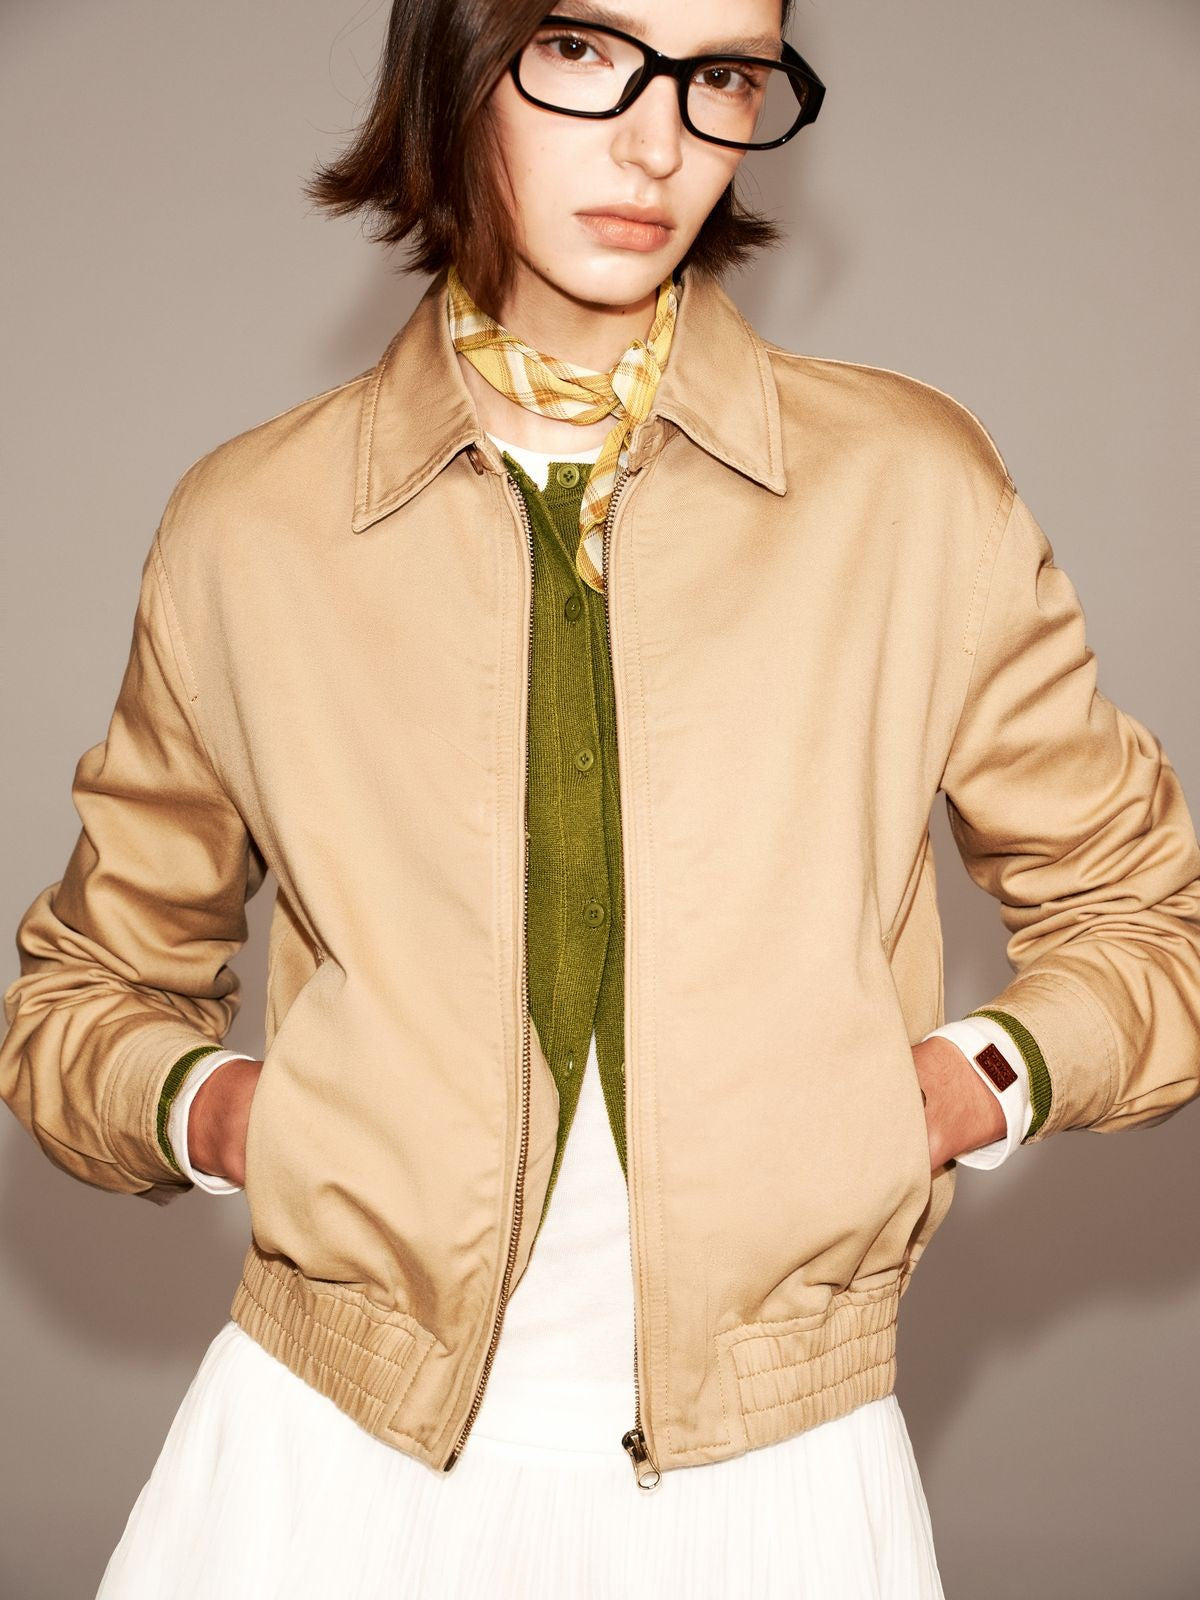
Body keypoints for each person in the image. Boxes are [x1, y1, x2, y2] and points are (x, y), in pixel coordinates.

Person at [3, 2, 1198, 1596]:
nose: (657, 144)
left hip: (774, 1480)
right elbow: (83, 996)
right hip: (321, 1466)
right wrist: (234, 1119)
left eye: (721, 77)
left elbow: (1148, 923)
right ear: (457, 59)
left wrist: (964, 1086)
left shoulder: (910, 489)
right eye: (584, 49)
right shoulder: (254, 527)